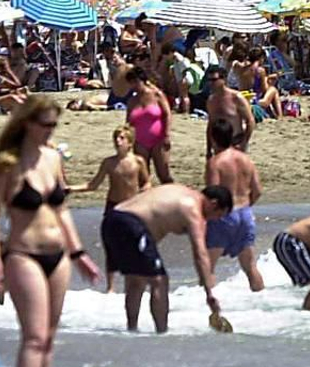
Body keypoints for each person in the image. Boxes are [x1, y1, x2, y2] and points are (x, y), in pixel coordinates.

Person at [0, 100, 101, 367]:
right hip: (23, 254)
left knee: (48, 338)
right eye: (44, 124)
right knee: (33, 337)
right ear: (27, 123)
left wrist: (80, 254)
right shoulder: (7, 164)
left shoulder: (52, 157)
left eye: (53, 125)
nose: (49, 131)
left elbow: (62, 211)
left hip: (59, 256)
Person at [97, 183, 230, 333]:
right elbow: (200, 252)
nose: (213, 220)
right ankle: (161, 333)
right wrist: (209, 293)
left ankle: (131, 330)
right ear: (213, 204)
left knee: (136, 279)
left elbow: (154, 222)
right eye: (218, 215)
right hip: (131, 223)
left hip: (111, 220)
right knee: (159, 281)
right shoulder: (194, 210)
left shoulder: (180, 190)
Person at [76, 125, 152, 293]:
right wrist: (70, 188)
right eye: (116, 138)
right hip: (113, 207)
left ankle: (135, 283)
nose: (118, 142)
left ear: (130, 142)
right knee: (111, 246)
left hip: (132, 208)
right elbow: (93, 185)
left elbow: (146, 181)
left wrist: (145, 190)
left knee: (134, 245)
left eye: (122, 138)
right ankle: (111, 288)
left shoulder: (138, 161)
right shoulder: (109, 162)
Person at [203, 118, 264, 292]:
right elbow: (257, 190)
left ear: (213, 139)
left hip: (223, 215)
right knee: (250, 267)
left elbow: (213, 194)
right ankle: (263, 305)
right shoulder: (246, 160)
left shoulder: (215, 163)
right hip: (245, 214)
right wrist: (245, 206)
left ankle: (210, 309)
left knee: (209, 267)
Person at [123, 67, 173, 184]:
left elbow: (167, 114)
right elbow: (128, 122)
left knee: (164, 174)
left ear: (142, 80)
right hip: (140, 142)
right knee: (143, 177)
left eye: (135, 82)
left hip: (158, 140)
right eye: (131, 83)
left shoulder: (157, 95)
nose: (133, 85)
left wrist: (166, 135)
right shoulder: (132, 101)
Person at [202, 65, 254, 155]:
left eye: (214, 80)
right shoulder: (211, 100)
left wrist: (243, 143)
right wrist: (208, 149)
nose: (211, 83)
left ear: (224, 79)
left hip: (235, 141)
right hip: (218, 144)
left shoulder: (236, 98)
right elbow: (210, 125)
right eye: (209, 80)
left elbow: (250, 121)